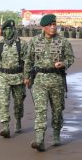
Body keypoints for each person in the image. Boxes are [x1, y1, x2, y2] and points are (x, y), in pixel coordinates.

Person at [24, 14, 75, 152]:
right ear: (44, 27)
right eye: (50, 25)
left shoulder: (63, 41)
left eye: (54, 24)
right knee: (40, 110)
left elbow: (71, 57)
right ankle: (39, 140)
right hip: (39, 80)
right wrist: (27, 77)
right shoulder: (34, 41)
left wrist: (64, 63)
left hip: (56, 80)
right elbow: (28, 60)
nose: (53, 27)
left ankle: (57, 134)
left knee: (57, 110)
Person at [0, 19, 27, 138]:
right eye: (6, 30)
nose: (9, 32)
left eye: (10, 29)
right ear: (3, 31)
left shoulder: (21, 44)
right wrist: (0, 73)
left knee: (18, 102)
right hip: (3, 77)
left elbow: (26, 62)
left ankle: (18, 119)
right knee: (3, 102)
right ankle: (5, 126)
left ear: (14, 30)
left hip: (18, 78)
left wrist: (26, 77)